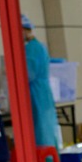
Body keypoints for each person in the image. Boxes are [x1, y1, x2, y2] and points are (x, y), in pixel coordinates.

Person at [21, 14, 60, 148]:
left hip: (36, 94)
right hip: (43, 93)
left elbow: (28, 73)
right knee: (47, 130)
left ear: (24, 30)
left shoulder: (30, 49)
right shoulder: (40, 47)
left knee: (40, 133)